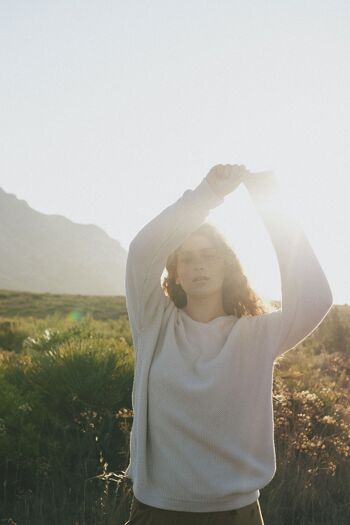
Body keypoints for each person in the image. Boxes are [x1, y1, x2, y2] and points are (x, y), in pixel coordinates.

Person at [122, 164, 333, 525]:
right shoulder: (154, 323)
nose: (198, 265)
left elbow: (315, 298)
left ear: (227, 266)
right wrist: (207, 194)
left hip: (235, 514)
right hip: (159, 511)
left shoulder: (255, 335)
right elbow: (142, 253)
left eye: (209, 255)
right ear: (174, 272)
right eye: (186, 257)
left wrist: (270, 202)